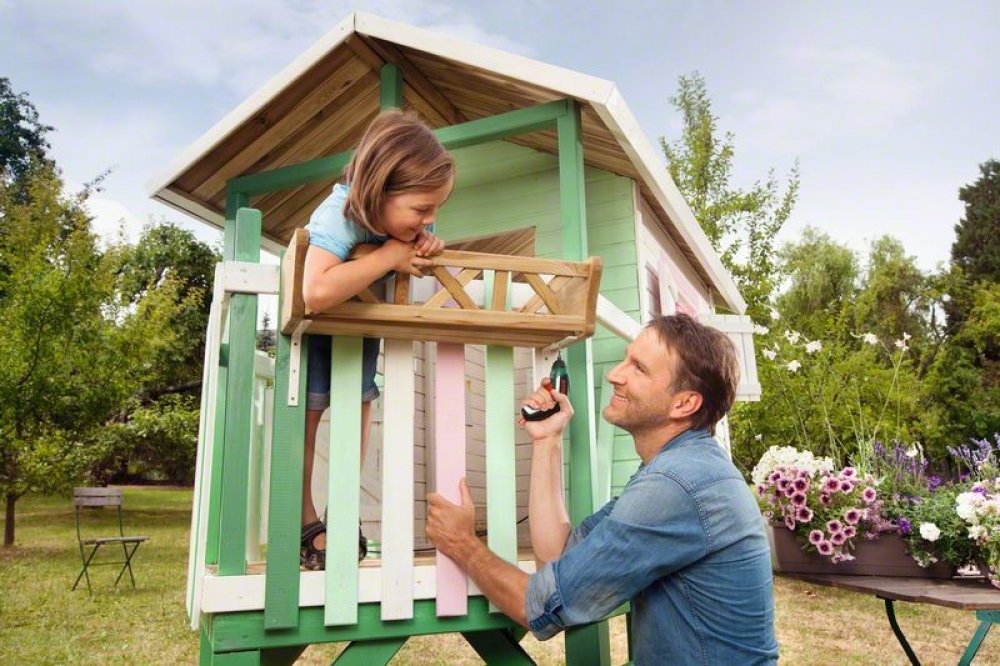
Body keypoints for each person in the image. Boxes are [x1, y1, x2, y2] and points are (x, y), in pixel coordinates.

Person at [426, 314, 779, 664]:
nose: (614, 375)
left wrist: (462, 543)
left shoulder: (677, 484)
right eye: (626, 359)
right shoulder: (676, 470)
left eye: (639, 369)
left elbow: (538, 606)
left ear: (684, 403)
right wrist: (547, 441)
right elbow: (558, 559)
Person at [300, 109, 454, 570]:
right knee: (306, 426)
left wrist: (424, 243)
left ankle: (342, 513)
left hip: (359, 334)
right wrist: (389, 255)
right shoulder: (338, 215)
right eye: (422, 210)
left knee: (357, 419)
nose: (429, 220)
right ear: (378, 188)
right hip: (314, 337)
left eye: (435, 210)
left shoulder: (402, 223)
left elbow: (410, 245)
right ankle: (302, 516)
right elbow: (316, 291)